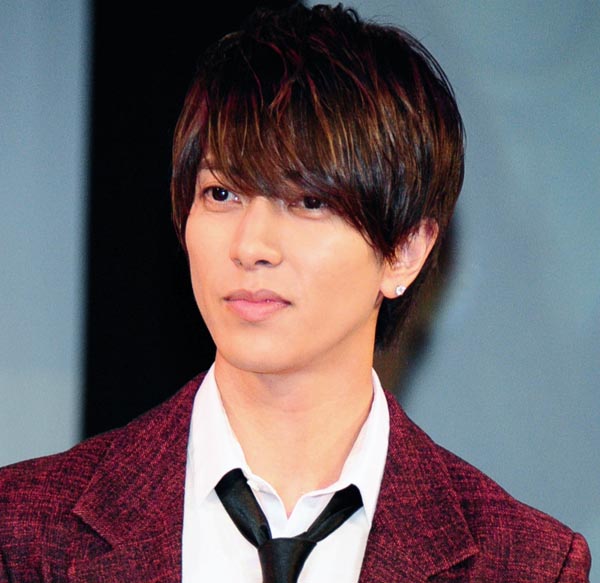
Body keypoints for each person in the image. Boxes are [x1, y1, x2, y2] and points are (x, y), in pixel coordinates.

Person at [0, 3, 591, 582]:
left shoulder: (525, 564)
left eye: (308, 202)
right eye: (222, 194)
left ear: (405, 251)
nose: (251, 245)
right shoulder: (24, 530)